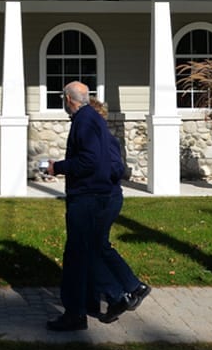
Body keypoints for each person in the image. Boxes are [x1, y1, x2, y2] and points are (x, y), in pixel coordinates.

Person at [44, 82, 150, 331]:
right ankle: (120, 293)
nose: (63, 102)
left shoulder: (84, 121)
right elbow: (110, 163)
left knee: (78, 256)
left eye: (63, 98)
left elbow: (88, 161)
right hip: (104, 195)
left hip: (90, 198)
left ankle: (83, 311)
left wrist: (57, 167)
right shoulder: (96, 123)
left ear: (70, 99)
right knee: (93, 249)